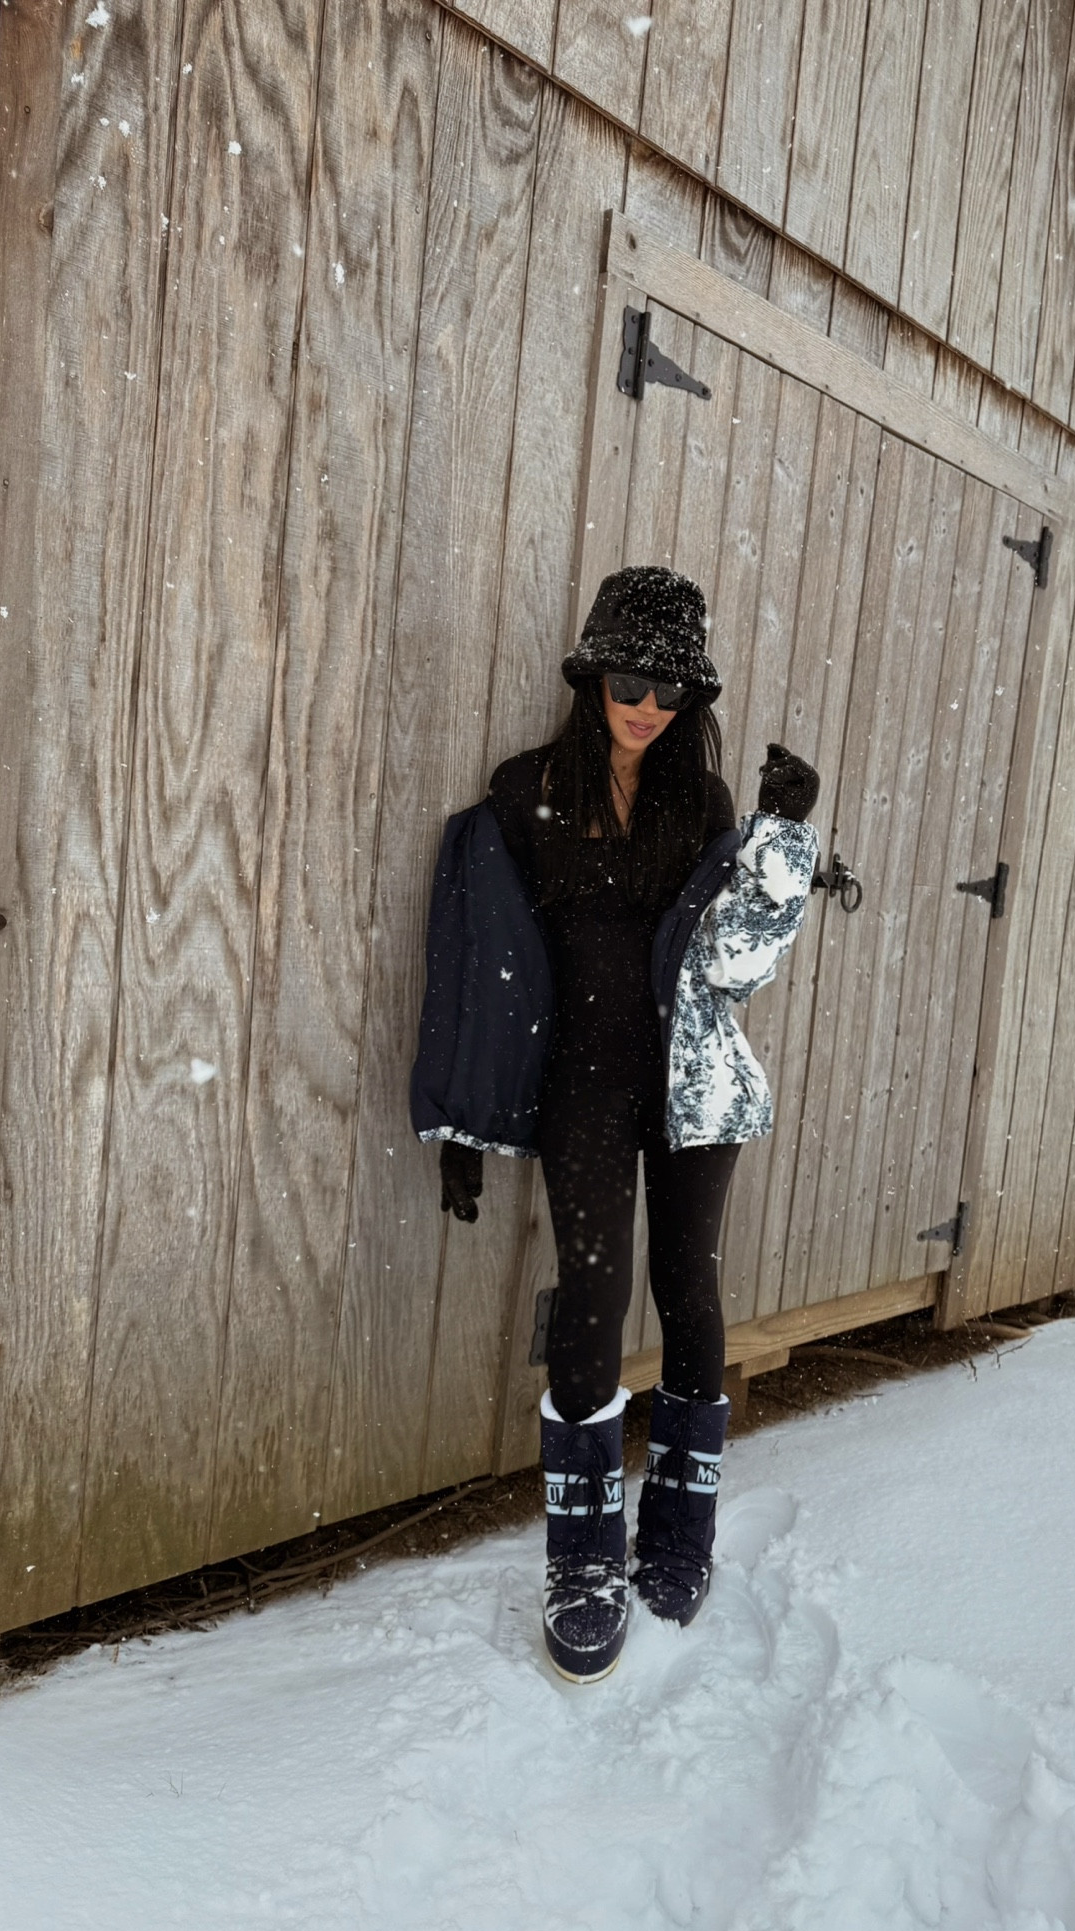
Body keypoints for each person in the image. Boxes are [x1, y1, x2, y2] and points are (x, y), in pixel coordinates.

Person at [410, 566, 820, 1683]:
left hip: (690, 1079)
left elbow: (738, 964)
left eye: (672, 688)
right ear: (593, 673)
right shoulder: (527, 790)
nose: (647, 704)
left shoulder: (707, 803)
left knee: (689, 1282)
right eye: (630, 677)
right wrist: (467, 1119)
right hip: (584, 1080)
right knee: (592, 1291)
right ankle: (584, 1552)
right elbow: (480, 962)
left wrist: (782, 834)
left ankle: (679, 1526)